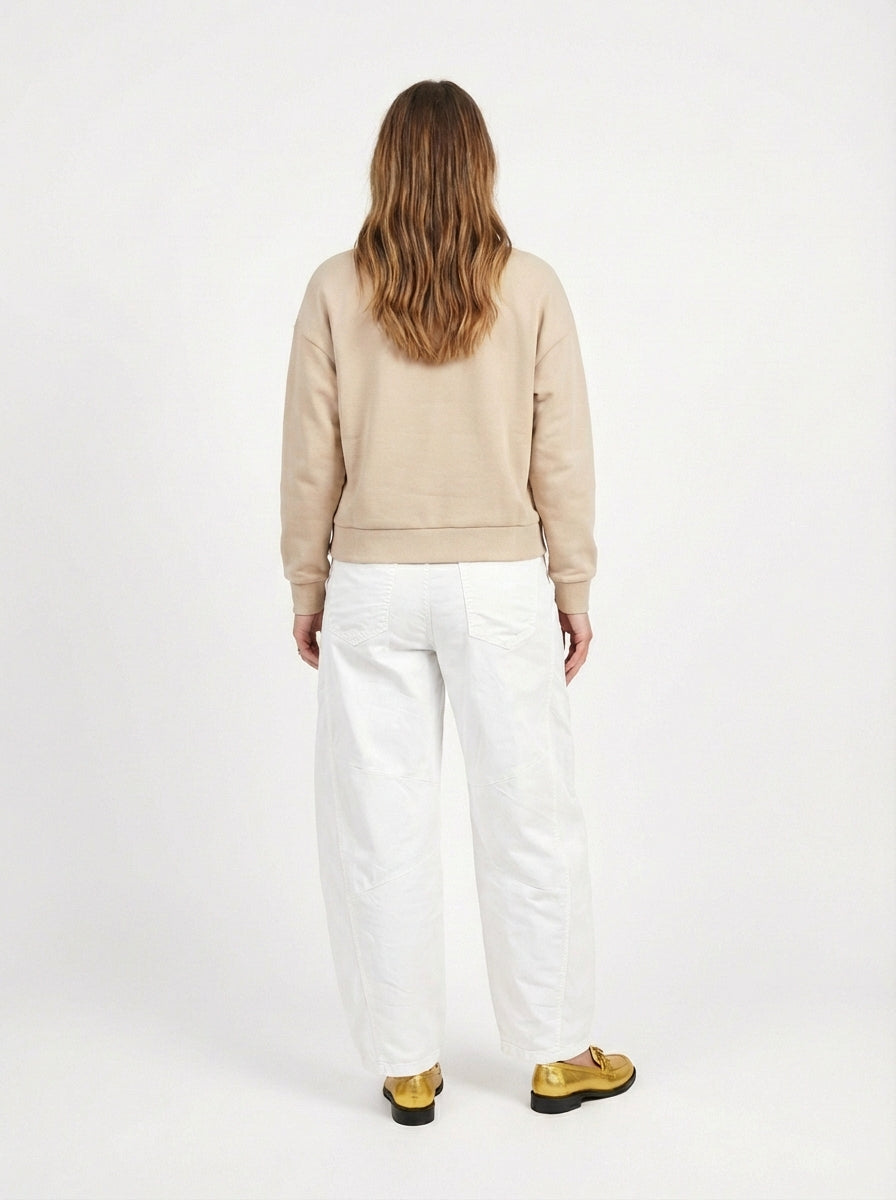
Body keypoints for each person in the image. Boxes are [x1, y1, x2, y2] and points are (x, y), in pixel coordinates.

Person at [280, 79, 635, 1125]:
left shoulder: (334, 289)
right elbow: (560, 453)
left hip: (372, 586)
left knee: (379, 827)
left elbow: (310, 458)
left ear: (384, 167)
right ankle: (556, 1056)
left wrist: (308, 581)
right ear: (481, 166)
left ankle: (406, 1066)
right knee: (531, 819)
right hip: (500, 585)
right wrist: (572, 583)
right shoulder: (531, 288)